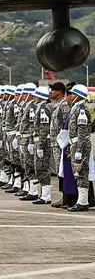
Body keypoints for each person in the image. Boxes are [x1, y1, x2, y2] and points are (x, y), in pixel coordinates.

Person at [63, 84, 92, 212]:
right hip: (75, 143)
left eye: (74, 94)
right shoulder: (76, 108)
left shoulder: (81, 109)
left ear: (79, 95)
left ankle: (83, 202)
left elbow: (82, 132)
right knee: (78, 173)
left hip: (81, 144)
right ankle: (82, 201)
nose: (71, 96)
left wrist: (79, 150)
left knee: (81, 172)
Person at [31, 86, 53, 204]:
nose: (34, 97)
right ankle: (44, 194)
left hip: (42, 143)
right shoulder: (40, 107)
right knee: (39, 168)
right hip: (39, 141)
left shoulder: (43, 109)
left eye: (36, 96)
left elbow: (44, 129)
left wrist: (40, 146)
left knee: (42, 168)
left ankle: (46, 196)